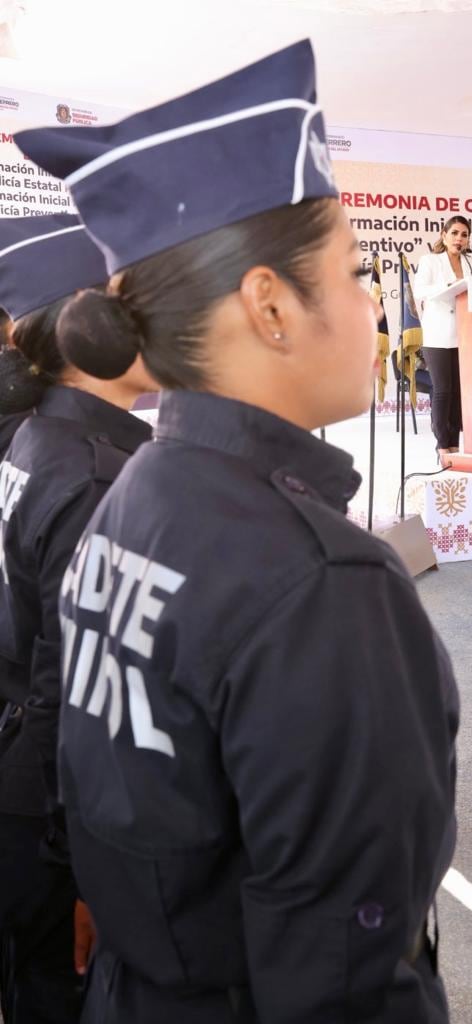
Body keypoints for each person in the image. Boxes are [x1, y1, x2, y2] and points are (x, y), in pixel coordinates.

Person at [18, 39, 458, 1024]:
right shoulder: (321, 580)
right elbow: (345, 977)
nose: (370, 308)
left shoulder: (134, 493)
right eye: (352, 271)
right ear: (269, 304)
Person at [0, 215, 154, 1024]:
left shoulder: (37, 439)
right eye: (132, 303)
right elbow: (78, 699)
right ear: (84, 324)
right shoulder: (95, 478)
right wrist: (85, 875)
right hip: (48, 822)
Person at [413, 216, 472, 466]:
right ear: (444, 234)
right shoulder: (430, 261)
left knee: (459, 392)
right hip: (437, 334)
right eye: (455, 233)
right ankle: (442, 445)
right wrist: (447, 284)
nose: (459, 238)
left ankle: (455, 442)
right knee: (443, 390)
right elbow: (420, 290)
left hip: (463, 333)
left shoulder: (468, 263)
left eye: (464, 234)